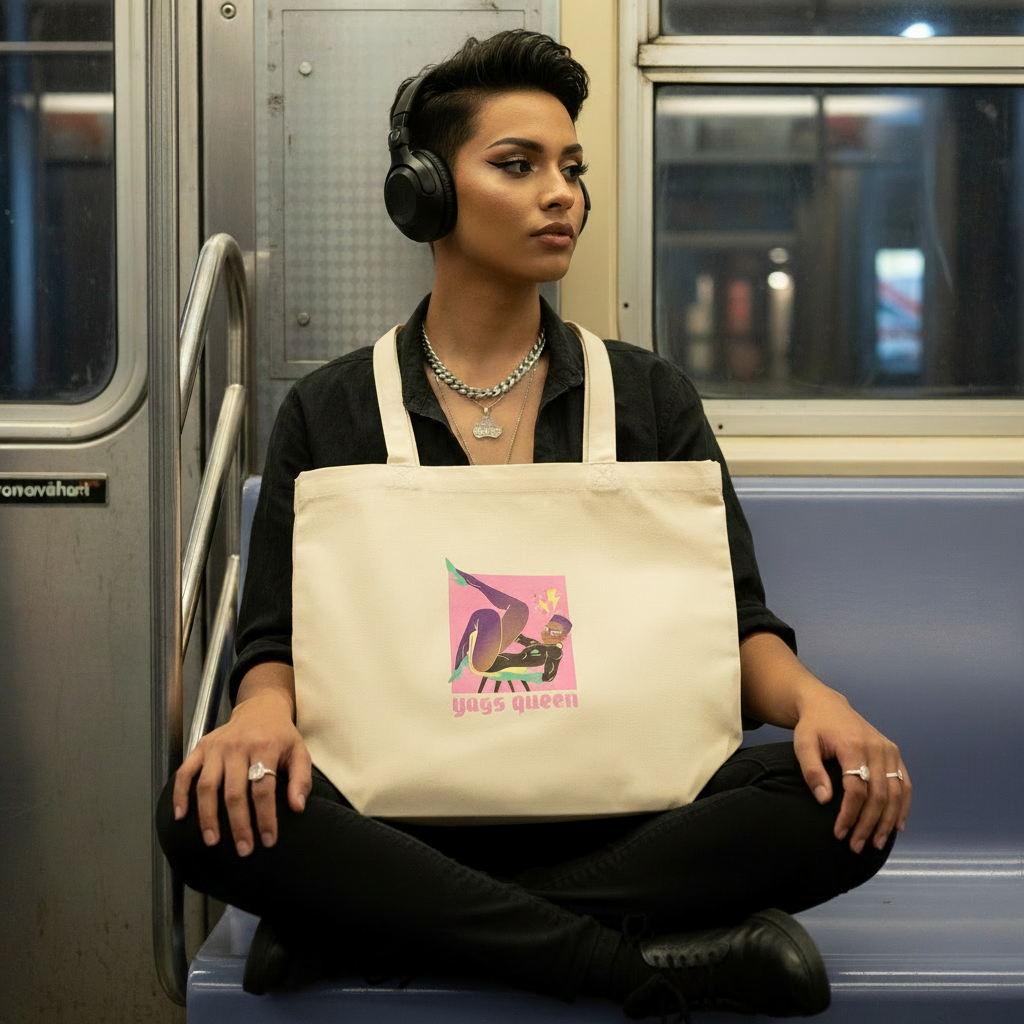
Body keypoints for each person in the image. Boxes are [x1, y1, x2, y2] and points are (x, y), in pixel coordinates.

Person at [157, 30, 912, 1019]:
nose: (561, 193)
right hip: (405, 811)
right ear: (423, 192)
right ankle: (630, 966)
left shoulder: (646, 395)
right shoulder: (331, 408)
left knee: (838, 803)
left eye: (571, 168)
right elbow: (273, 641)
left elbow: (738, 624)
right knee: (202, 818)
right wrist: (257, 713)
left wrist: (818, 701)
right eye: (518, 165)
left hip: (626, 807)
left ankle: (371, 922)